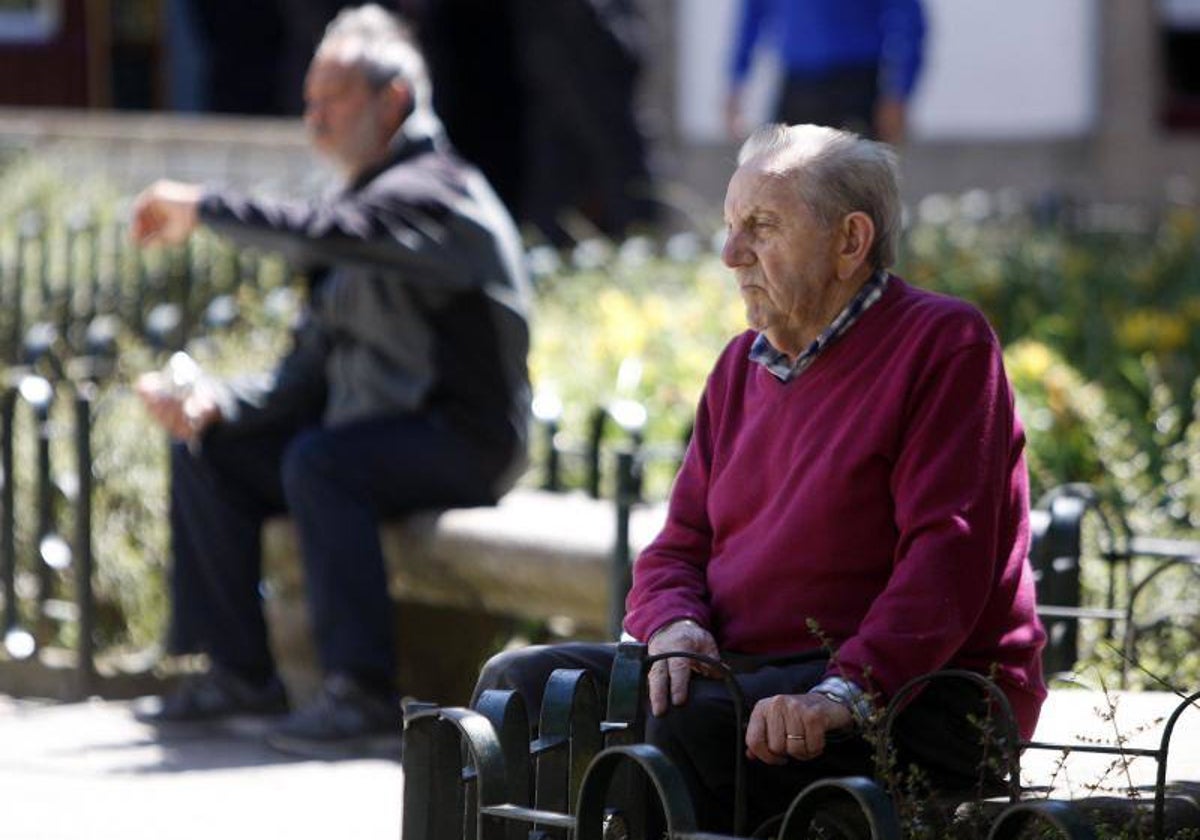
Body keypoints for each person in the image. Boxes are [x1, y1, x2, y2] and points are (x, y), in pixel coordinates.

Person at [474, 123, 1046, 831]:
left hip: (922, 693)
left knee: (690, 722)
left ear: (850, 241)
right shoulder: (740, 366)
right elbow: (678, 544)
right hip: (749, 671)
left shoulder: (945, 346)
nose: (729, 254)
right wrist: (674, 626)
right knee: (519, 687)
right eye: (729, 226)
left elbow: (946, 562)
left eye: (761, 227)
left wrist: (842, 692)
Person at [131, 4, 531, 758]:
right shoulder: (359, 204)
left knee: (321, 464)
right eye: (309, 100)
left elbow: (325, 233)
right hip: (372, 437)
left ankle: (360, 692)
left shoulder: (438, 193)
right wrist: (218, 401)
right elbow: (306, 369)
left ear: (396, 102)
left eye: (332, 100)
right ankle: (239, 674)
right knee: (210, 449)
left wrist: (205, 206)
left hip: (463, 441)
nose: (312, 118)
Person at [725, 0, 926, 145]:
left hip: (856, 85)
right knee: (780, 178)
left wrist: (898, 94)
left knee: (856, 185)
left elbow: (908, 22)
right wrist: (735, 83)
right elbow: (752, 17)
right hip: (797, 84)